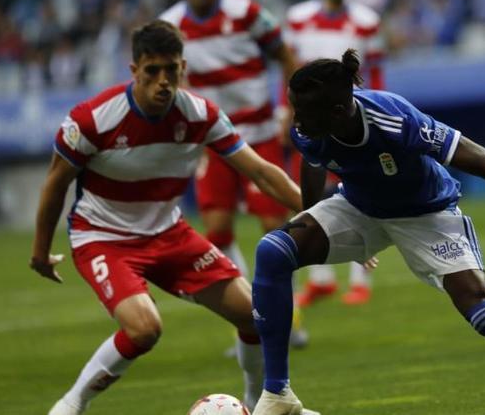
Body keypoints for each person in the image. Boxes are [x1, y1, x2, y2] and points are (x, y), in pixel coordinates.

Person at [250, 50, 485, 415]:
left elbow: (481, 159)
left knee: (483, 311)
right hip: (359, 207)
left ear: (338, 112)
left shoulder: (394, 119)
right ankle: (278, 395)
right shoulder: (308, 128)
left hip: (427, 214)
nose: (294, 121)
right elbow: (314, 166)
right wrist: (318, 223)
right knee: (273, 251)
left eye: (302, 114)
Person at [30, 21, 303, 415]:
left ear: (183, 68)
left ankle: (257, 405)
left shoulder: (200, 115)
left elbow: (260, 171)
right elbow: (55, 184)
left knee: (254, 314)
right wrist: (40, 252)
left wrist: (319, 219)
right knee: (144, 329)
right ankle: (72, 404)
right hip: (103, 236)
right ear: (134, 71)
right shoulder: (93, 119)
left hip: (168, 233)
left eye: (171, 70)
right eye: (152, 71)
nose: (163, 81)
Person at [159, 0, 296, 285]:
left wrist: (289, 109)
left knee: (274, 228)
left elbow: (286, 56)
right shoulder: (170, 26)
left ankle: (287, 313)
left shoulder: (246, 12)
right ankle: (251, 306)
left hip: (259, 132)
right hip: (213, 139)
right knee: (217, 231)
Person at [283, 0, 386, 307]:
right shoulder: (298, 19)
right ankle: (321, 277)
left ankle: (361, 279)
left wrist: (377, 112)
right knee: (311, 190)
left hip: (352, 118)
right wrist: (288, 111)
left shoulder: (366, 21)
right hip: (312, 120)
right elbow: (290, 71)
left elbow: (375, 74)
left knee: (360, 189)